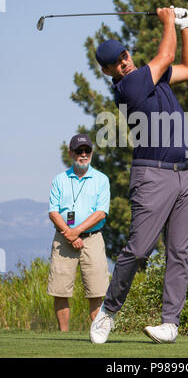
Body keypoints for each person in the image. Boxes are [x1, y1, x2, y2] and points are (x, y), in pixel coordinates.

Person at [90, 6, 188, 344]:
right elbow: (166, 55)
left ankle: (170, 323)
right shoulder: (130, 86)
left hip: (186, 175)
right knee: (138, 250)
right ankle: (107, 312)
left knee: (180, 252)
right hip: (153, 176)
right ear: (109, 71)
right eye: (116, 62)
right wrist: (168, 19)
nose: (123, 61)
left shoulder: (152, 77)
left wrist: (186, 25)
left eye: (124, 54)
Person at [47, 133, 110, 331]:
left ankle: (98, 333)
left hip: (92, 239)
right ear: (70, 153)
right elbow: (53, 211)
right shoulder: (59, 180)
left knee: (97, 290)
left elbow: (101, 213)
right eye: (79, 151)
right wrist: (70, 233)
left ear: (91, 152)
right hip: (63, 238)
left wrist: (77, 231)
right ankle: (63, 335)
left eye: (87, 151)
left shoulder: (101, 179)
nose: (83, 154)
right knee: (60, 289)